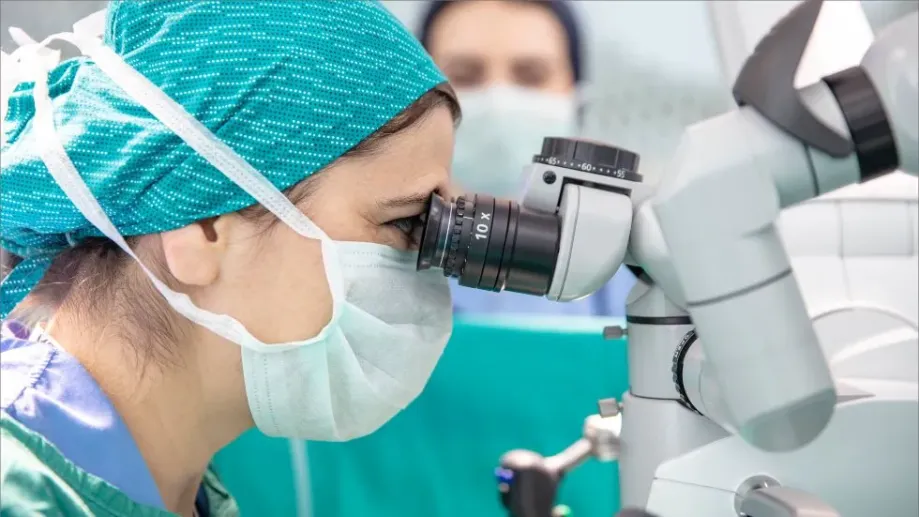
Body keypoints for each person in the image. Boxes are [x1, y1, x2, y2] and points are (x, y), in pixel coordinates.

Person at [0, 1, 460, 516]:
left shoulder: (175, 491)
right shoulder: (17, 490)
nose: (433, 261)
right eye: (405, 223)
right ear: (202, 229)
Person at [418, 0, 636, 317]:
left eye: (531, 76)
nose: (499, 98)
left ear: (577, 101)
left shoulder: (623, 268)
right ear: (418, 102)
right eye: (465, 75)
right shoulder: (371, 258)